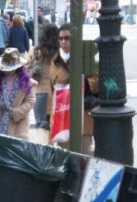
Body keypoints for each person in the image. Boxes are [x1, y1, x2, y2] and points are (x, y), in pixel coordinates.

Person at [50, 23, 97, 155]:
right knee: (65, 159)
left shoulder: (84, 57)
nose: (63, 41)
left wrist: (82, 83)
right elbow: (51, 90)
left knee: (85, 156)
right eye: (61, 38)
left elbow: (96, 81)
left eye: (67, 38)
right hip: (62, 119)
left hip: (82, 119)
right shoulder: (55, 61)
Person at [0, 48, 35, 140]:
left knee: (17, 151)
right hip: (0, 122)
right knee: (0, 150)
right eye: (6, 67)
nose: (8, 71)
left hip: (18, 124)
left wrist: (18, 112)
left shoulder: (27, 82)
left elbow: (30, 101)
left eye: (11, 67)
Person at [27, 23, 59, 144]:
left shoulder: (35, 51)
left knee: (41, 123)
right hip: (56, 93)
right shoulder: (59, 52)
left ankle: (44, 149)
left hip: (39, 92)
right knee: (55, 123)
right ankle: (54, 147)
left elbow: (25, 71)